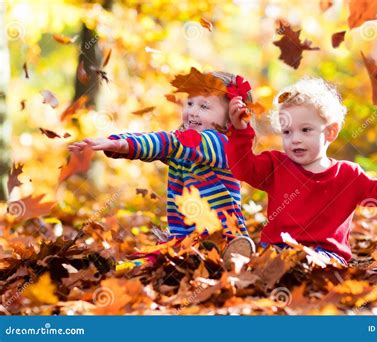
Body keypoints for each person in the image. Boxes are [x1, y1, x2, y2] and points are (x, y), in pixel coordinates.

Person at [68, 70, 257, 269]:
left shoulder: (223, 145)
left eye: (204, 106)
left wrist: (122, 145)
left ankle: (234, 261)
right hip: (184, 240)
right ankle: (113, 268)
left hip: (221, 237)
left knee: (181, 261)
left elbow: (171, 143)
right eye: (190, 103)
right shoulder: (181, 146)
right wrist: (117, 144)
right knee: (157, 260)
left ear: (228, 121)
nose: (192, 111)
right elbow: (155, 145)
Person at [225, 77, 377, 266]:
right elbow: (243, 168)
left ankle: (284, 269)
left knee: (311, 263)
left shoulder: (348, 174)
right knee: (271, 260)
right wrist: (240, 131)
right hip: (278, 247)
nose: (295, 139)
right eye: (287, 132)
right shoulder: (276, 164)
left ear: (330, 132)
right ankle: (245, 265)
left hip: (325, 254)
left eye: (306, 130)